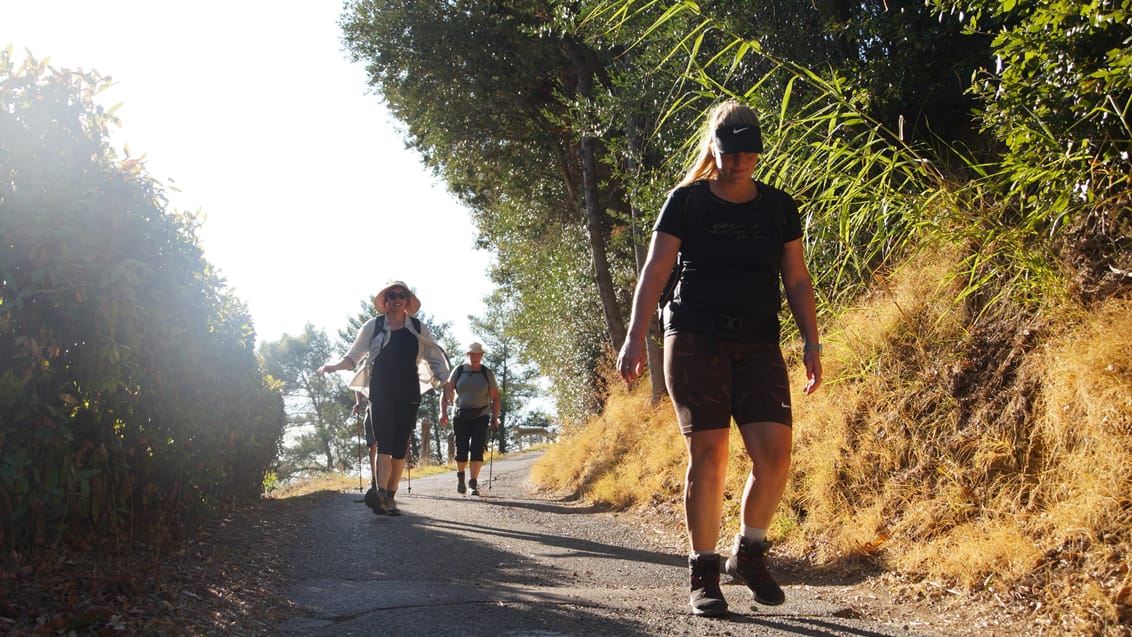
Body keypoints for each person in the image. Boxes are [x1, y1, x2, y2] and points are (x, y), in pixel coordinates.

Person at [616, 99, 822, 617]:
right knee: (709, 457)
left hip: (759, 343)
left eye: (749, 152)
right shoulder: (686, 202)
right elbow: (655, 271)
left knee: (774, 454)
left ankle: (749, 553)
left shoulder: (778, 206)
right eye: (731, 153)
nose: (740, 162)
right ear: (715, 147)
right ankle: (703, 569)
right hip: (693, 339)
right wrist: (636, 335)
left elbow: (796, 279)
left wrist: (812, 341)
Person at [319, 280, 450, 516]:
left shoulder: (418, 328)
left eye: (401, 295)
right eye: (392, 296)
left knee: (401, 445)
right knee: (384, 443)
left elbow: (435, 357)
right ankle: (380, 494)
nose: (396, 299)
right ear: (386, 301)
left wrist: (445, 381)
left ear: (407, 301)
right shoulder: (374, 326)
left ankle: (390, 496)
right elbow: (353, 356)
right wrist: (334, 366)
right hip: (381, 390)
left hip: (409, 390)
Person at [440, 342, 500, 496]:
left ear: (481, 355)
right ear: (467, 355)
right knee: (461, 449)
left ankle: (473, 483)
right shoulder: (459, 371)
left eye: (477, 354)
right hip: (460, 415)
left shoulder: (487, 373)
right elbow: (447, 390)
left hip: (481, 415)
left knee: (477, 449)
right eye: (471, 354)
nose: (474, 357)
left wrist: (495, 417)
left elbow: (495, 397)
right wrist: (443, 412)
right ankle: (461, 478)